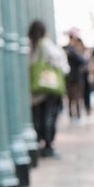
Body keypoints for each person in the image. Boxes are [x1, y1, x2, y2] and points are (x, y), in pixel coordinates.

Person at [28, 20, 67, 157]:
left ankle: (39, 142)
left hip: (34, 88)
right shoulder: (45, 44)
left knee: (37, 116)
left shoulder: (29, 45)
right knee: (49, 116)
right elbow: (62, 64)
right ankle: (48, 145)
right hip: (48, 87)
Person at [64, 29, 88, 120]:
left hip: (68, 77)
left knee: (71, 98)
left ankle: (71, 114)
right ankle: (77, 115)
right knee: (77, 97)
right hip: (76, 78)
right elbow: (82, 61)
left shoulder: (65, 49)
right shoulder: (73, 50)